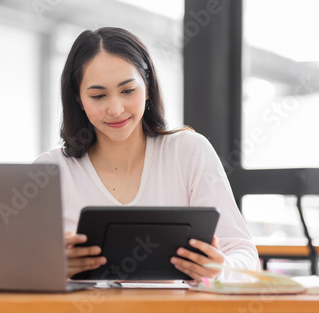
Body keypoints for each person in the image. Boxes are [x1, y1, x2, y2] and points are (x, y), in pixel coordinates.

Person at [35, 27, 259, 282]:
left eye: (128, 91)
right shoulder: (50, 170)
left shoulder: (188, 152)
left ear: (148, 86)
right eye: (98, 96)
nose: (116, 109)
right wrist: (51, 267)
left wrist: (219, 271)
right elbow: (16, 266)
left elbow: (246, 258)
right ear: (78, 98)